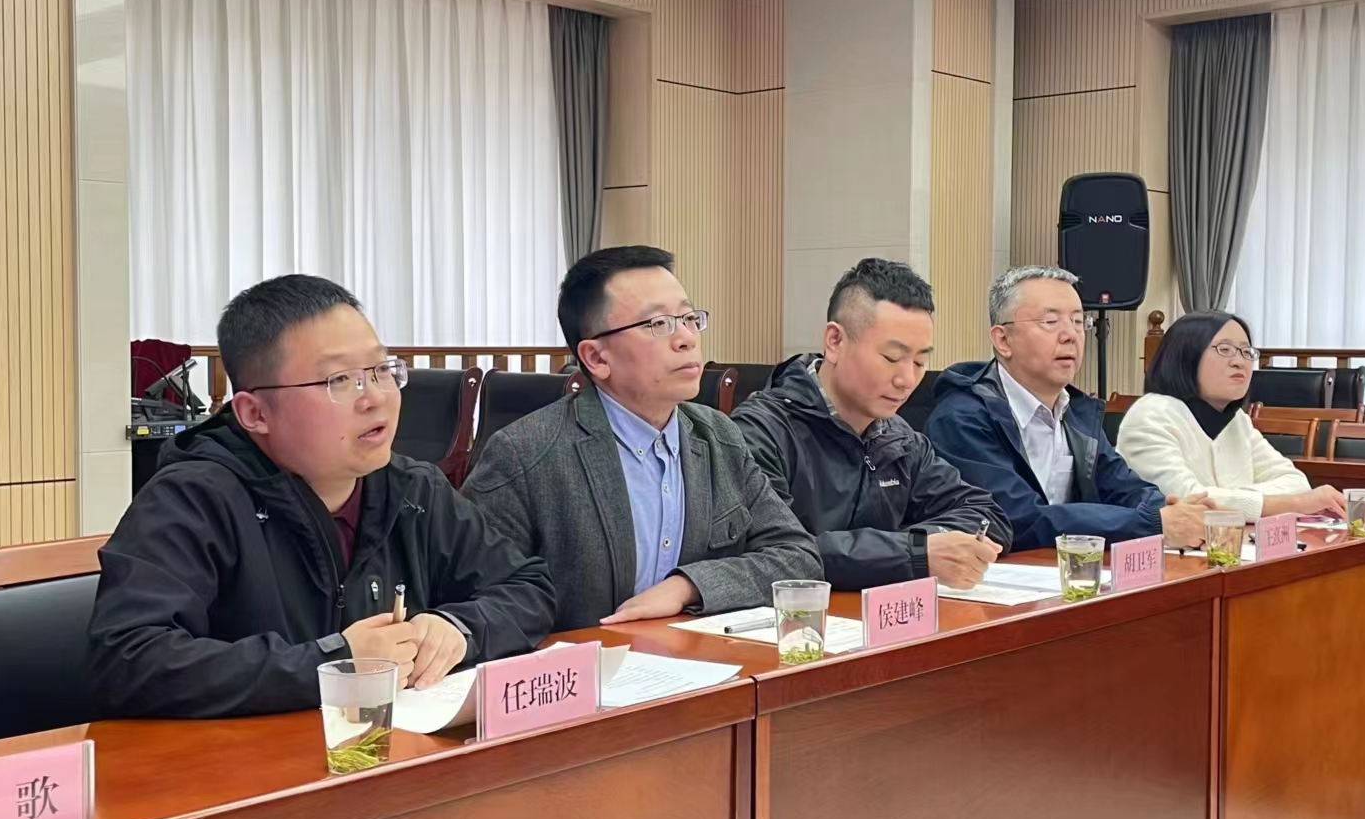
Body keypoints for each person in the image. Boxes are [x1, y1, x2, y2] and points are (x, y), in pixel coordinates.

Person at [89, 275, 556, 719]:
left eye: (381, 370)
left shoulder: (413, 488)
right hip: (248, 763)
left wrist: (461, 628)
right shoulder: (193, 500)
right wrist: (332, 663)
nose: (375, 397)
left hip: (390, 754)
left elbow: (527, 587)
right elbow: (127, 660)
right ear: (255, 413)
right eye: (339, 380)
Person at [464, 245, 821, 632]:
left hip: (698, 659)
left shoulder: (719, 436)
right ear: (597, 358)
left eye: (689, 318)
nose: (686, 338)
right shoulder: (525, 455)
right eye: (658, 324)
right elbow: (475, 596)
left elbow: (797, 557)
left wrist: (688, 586)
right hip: (585, 664)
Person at [731, 258, 1012, 591]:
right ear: (835, 341)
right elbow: (776, 554)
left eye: (920, 361)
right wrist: (913, 552)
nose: (907, 379)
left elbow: (987, 515)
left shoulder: (899, 437)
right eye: (891, 358)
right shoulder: (759, 432)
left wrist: (926, 545)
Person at [925, 265, 1212, 551]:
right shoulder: (962, 417)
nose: (1070, 335)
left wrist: (1172, 510)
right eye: (1050, 322)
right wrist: (1153, 524)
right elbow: (1015, 519)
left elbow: (1122, 487)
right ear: (1003, 340)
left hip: (1069, 569)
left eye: (1078, 321)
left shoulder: (1076, 411)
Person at [1116, 311, 1348, 521]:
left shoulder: (1236, 421)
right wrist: (1292, 504)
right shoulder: (1150, 415)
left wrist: (1227, 499)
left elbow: (1296, 483)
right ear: (1185, 357)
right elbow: (1187, 500)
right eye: (1224, 349)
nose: (1240, 362)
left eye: (1246, 352)